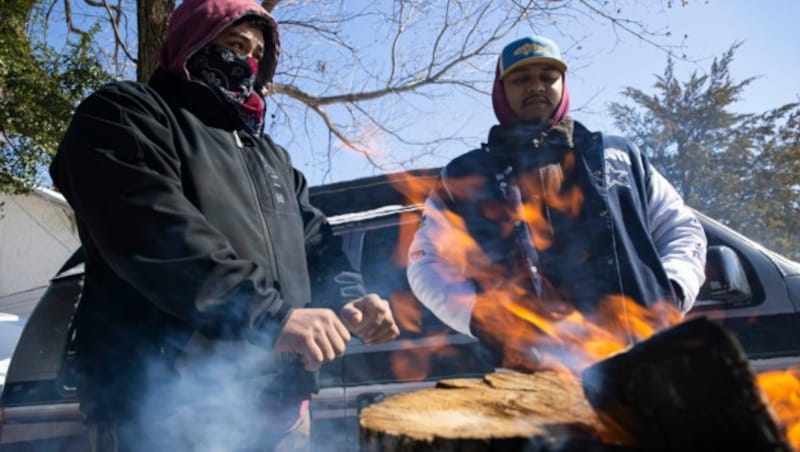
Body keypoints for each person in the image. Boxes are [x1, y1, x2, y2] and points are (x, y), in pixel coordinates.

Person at [49, 0, 399, 450]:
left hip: (281, 407)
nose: (247, 62)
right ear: (193, 39)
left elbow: (317, 244)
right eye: (235, 44)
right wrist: (272, 317)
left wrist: (353, 299)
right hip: (164, 410)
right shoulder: (125, 114)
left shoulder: (272, 157)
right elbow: (154, 232)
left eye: (257, 54)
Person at [407, 35, 706, 370]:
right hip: (531, 374)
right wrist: (481, 318)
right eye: (521, 79)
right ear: (501, 90)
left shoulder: (619, 156)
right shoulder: (463, 175)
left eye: (547, 77)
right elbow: (425, 261)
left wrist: (673, 291)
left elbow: (682, 228)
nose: (536, 86)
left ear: (563, 84)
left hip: (644, 361)